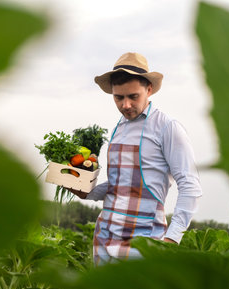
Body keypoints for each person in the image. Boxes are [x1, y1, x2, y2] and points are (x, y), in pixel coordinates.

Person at [71, 52, 202, 265]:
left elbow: (190, 185)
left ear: (149, 89)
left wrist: (172, 237)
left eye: (133, 97)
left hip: (145, 244)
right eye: (119, 97)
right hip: (104, 240)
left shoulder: (167, 128)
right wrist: (84, 191)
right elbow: (119, 185)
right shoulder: (118, 129)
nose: (126, 105)